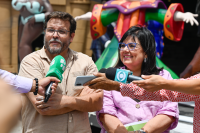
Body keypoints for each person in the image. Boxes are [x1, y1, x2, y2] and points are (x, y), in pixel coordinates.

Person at [18, 11, 103, 133]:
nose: (55, 35)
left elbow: (97, 103)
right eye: (50, 30)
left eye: (62, 31)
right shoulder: (30, 62)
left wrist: (64, 101)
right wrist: (81, 99)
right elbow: (43, 106)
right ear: (45, 33)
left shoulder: (86, 61)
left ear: (72, 37)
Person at [95, 26, 178, 133]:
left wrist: (143, 132)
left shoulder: (163, 76)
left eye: (131, 46)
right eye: (122, 46)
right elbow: (105, 113)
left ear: (146, 52)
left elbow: (169, 112)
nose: (125, 50)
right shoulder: (110, 76)